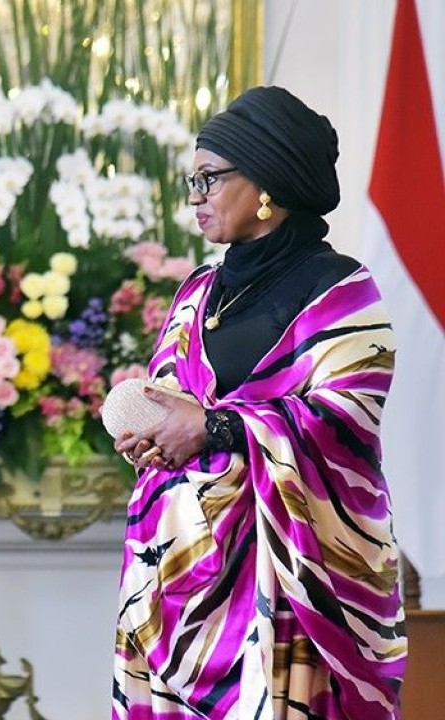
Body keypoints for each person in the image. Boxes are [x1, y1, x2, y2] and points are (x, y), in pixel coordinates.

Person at [111, 86, 406, 718]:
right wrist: (151, 430)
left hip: (285, 579)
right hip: (178, 576)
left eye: (210, 179)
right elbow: (171, 395)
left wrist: (213, 428)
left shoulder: (341, 292)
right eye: (191, 179)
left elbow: (342, 422)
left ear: (267, 186)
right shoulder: (199, 290)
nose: (195, 196)